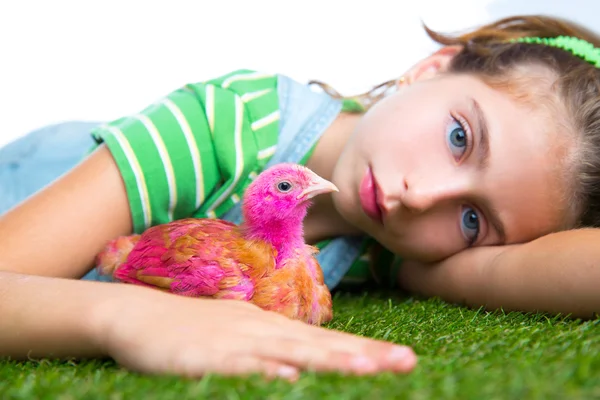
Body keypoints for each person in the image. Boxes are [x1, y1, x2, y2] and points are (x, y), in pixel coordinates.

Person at [2, 13, 600, 379]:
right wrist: (127, 316)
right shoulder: (224, 126)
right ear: (432, 69)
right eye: (459, 137)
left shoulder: (395, 244)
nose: (422, 197)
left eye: (473, 219)